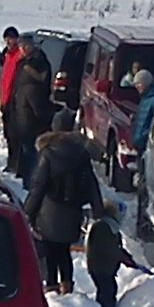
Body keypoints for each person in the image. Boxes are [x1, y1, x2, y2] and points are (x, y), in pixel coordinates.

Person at [25, 112, 103, 295]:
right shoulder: (82, 153)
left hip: (50, 211)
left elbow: (38, 186)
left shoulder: (48, 153)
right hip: (72, 211)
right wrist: (98, 209)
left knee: (50, 249)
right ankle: (67, 284)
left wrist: (28, 212)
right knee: (64, 250)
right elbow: (92, 184)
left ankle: (52, 285)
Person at [3, 33, 54, 182]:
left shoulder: (39, 62)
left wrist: (43, 114)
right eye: (21, 46)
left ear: (32, 45)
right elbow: (14, 86)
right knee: (23, 149)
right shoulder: (22, 62)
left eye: (26, 45)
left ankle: (31, 181)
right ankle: (23, 175)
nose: (23, 49)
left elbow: (39, 88)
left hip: (32, 115)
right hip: (20, 112)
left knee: (31, 151)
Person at [84, 214, 145, 307]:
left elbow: (116, 248)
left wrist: (126, 257)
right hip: (99, 267)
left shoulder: (111, 228)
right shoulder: (103, 227)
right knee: (107, 290)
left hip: (105, 267)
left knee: (109, 288)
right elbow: (110, 249)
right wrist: (123, 257)